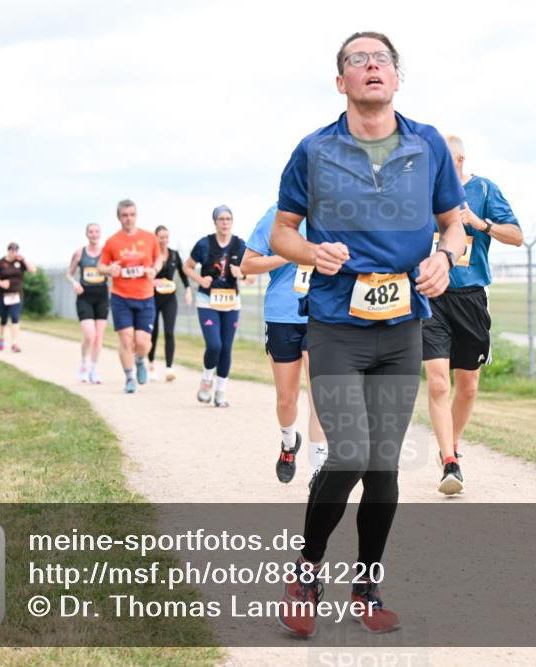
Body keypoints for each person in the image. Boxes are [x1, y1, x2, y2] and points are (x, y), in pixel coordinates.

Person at [269, 31, 466, 637]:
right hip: (336, 326)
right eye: (358, 60)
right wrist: (310, 251)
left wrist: (447, 257)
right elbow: (281, 232)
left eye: (382, 59)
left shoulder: (428, 144)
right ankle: (306, 569)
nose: (372, 67)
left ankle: (368, 582)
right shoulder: (314, 149)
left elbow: (454, 226)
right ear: (341, 82)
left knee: (384, 465)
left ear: (397, 78)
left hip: (403, 326)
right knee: (350, 451)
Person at [423, 135, 523, 495]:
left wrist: (480, 223)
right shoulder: (424, 196)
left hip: (471, 298)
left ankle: (452, 446)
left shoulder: (483, 189)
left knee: (468, 386)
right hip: (432, 295)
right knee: (437, 382)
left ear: (460, 160)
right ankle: (449, 460)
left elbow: (517, 236)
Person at [241, 203, 328, 484]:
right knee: (286, 399)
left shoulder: (336, 212)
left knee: (320, 397)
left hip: (322, 314)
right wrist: (285, 256)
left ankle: (319, 469)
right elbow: (248, 264)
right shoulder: (276, 217)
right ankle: (289, 443)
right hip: (283, 314)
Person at [183, 205, 249, 408]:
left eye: (228, 218)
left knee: (226, 348)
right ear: (215, 222)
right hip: (207, 301)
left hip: (231, 302)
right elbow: (187, 267)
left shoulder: (240, 245)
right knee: (214, 345)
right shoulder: (204, 244)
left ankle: (220, 391)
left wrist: (243, 274)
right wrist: (200, 280)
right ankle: (206, 381)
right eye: (221, 219)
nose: (225, 222)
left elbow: (252, 275)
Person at [99, 199, 161, 394]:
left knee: (142, 342)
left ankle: (140, 360)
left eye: (132, 215)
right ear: (119, 217)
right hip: (121, 296)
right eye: (125, 215)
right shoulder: (112, 242)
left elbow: (158, 258)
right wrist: (110, 269)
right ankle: (129, 377)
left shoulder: (149, 238)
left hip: (145, 295)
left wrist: (154, 269)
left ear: (136, 215)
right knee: (126, 340)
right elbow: (101, 266)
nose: (129, 219)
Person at [148, 225, 191, 381]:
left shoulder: (173, 255)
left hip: (169, 298)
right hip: (152, 298)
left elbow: (182, 273)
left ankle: (169, 368)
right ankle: (151, 364)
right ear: (156, 238)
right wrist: (151, 281)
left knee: (169, 332)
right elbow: (146, 275)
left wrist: (188, 289)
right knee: (153, 333)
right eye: (161, 237)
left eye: (166, 237)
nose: (164, 240)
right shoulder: (151, 255)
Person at [67, 223, 109, 384]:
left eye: (97, 231)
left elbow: (111, 271)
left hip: (102, 296)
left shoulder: (106, 253)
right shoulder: (79, 253)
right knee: (89, 335)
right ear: (86, 234)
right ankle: (84, 364)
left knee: (98, 337)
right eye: (91, 232)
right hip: (84, 296)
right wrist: (74, 283)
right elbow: (69, 274)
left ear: (100, 234)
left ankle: (93, 369)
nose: (94, 234)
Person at [0, 242, 36, 353]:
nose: (14, 252)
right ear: (8, 250)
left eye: (16, 250)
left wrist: (24, 259)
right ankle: (1, 337)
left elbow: (32, 270)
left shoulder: (19, 262)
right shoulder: (0, 263)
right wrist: (0, 283)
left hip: (16, 295)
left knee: (15, 317)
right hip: (2, 296)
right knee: (4, 319)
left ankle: (14, 343)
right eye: (12, 250)